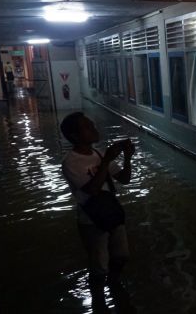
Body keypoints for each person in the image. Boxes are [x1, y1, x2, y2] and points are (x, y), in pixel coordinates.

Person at [60, 112, 136, 313]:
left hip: (110, 213)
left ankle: (113, 284)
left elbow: (125, 179)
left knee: (122, 255)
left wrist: (127, 158)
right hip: (91, 221)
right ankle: (99, 300)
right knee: (99, 264)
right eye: (87, 126)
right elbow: (92, 190)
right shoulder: (71, 163)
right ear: (75, 136)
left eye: (91, 123)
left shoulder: (99, 154)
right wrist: (107, 160)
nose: (93, 127)